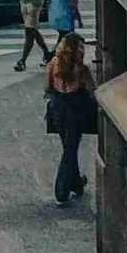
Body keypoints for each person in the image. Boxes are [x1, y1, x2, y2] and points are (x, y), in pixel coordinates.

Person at [46, 34, 97, 206]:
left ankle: (76, 183)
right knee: (70, 149)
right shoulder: (82, 70)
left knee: (68, 146)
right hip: (76, 111)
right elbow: (93, 91)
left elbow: (47, 87)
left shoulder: (53, 64)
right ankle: (61, 191)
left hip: (58, 109)